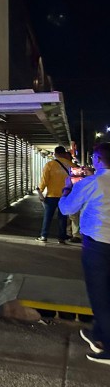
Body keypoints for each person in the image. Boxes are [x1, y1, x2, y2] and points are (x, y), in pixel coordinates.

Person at [59, 142, 110, 366]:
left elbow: (67, 208)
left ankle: (108, 348)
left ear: (97, 159)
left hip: (98, 246)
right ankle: (98, 334)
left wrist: (67, 189)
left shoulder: (91, 183)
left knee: (100, 296)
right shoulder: (95, 180)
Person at [36, 145, 73, 244]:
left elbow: (44, 180)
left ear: (55, 154)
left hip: (51, 195)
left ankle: (44, 236)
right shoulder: (71, 165)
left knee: (48, 216)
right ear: (64, 154)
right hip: (65, 195)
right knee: (63, 217)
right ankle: (61, 238)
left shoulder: (50, 164)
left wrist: (40, 191)